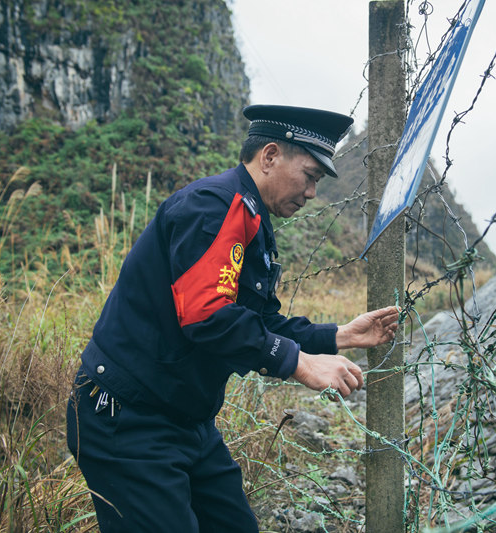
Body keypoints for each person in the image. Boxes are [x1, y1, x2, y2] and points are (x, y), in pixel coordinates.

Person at [66, 104, 399, 532]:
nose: (312, 192)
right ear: (271, 156)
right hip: (129, 420)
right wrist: (299, 363)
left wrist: (338, 336)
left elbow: (259, 320)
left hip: (188, 422)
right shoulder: (213, 207)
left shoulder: (252, 220)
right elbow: (207, 315)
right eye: (310, 175)